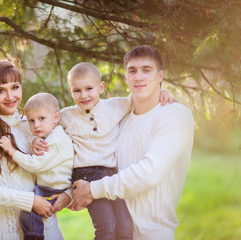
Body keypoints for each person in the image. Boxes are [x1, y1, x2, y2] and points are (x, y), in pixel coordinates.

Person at [33, 62, 174, 240]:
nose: (83, 95)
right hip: (86, 176)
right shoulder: (66, 116)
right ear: (71, 91)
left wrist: (163, 92)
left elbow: (140, 98)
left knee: (124, 227)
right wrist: (35, 138)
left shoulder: (114, 106)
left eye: (89, 89)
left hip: (112, 174)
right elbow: (41, 123)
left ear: (101, 87)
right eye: (77, 91)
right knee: (106, 227)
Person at [72, 45, 194, 240]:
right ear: (126, 77)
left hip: (153, 234)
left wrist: (93, 190)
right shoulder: (121, 117)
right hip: (117, 231)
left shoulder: (176, 115)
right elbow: (90, 155)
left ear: (160, 76)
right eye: (132, 71)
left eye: (147, 70)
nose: (139, 77)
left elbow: (150, 172)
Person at [0, 60, 71, 240]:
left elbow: (65, 159)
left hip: (48, 230)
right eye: (0, 90)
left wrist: (69, 194)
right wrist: (30, 201)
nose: (10, 96)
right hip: (5, 233)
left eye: (15, 87)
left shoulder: (34, 124)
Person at [0, 92, 74, 240]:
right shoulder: (50, 134)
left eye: (41, 119)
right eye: (31, 120)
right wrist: (33, 138)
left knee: (29, 212)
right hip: (46, 186)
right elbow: (31, 134)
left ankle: (34, 237)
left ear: (56, 117)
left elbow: (35, 165)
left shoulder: (56, 140)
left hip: (54, 189)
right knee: (30, 212)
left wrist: (11, 150)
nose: (36, 125)